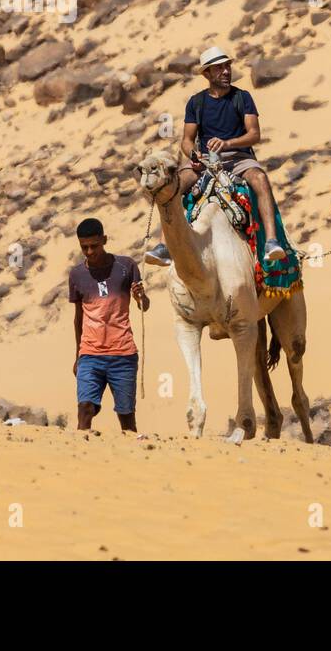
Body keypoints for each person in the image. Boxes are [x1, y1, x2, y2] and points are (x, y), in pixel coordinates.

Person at [146, 46, 285, 266]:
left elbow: (254, 134)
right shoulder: (197, 102)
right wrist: (194, 155)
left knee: (259, 179)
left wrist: (228, 143)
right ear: (207, 74)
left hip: (238, 157)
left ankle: (271, 242)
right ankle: (164, 246)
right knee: (174, 186)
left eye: (227, 66)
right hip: (205, 162)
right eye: (219, 68)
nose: (226, 71)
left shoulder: (242, 97)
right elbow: (187, 139)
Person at [70, 218, 148, 433]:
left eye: (94, 246)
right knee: (84, 409)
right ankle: (80, 459)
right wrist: (77, 356)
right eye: (84, 247)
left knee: (127, 419)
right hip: (90, 354)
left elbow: (144, 306)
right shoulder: (76, 274)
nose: (89, 251)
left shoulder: (126, 267)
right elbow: (78, 319)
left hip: (123, 355)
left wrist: (141, 296)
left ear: (104, 240)